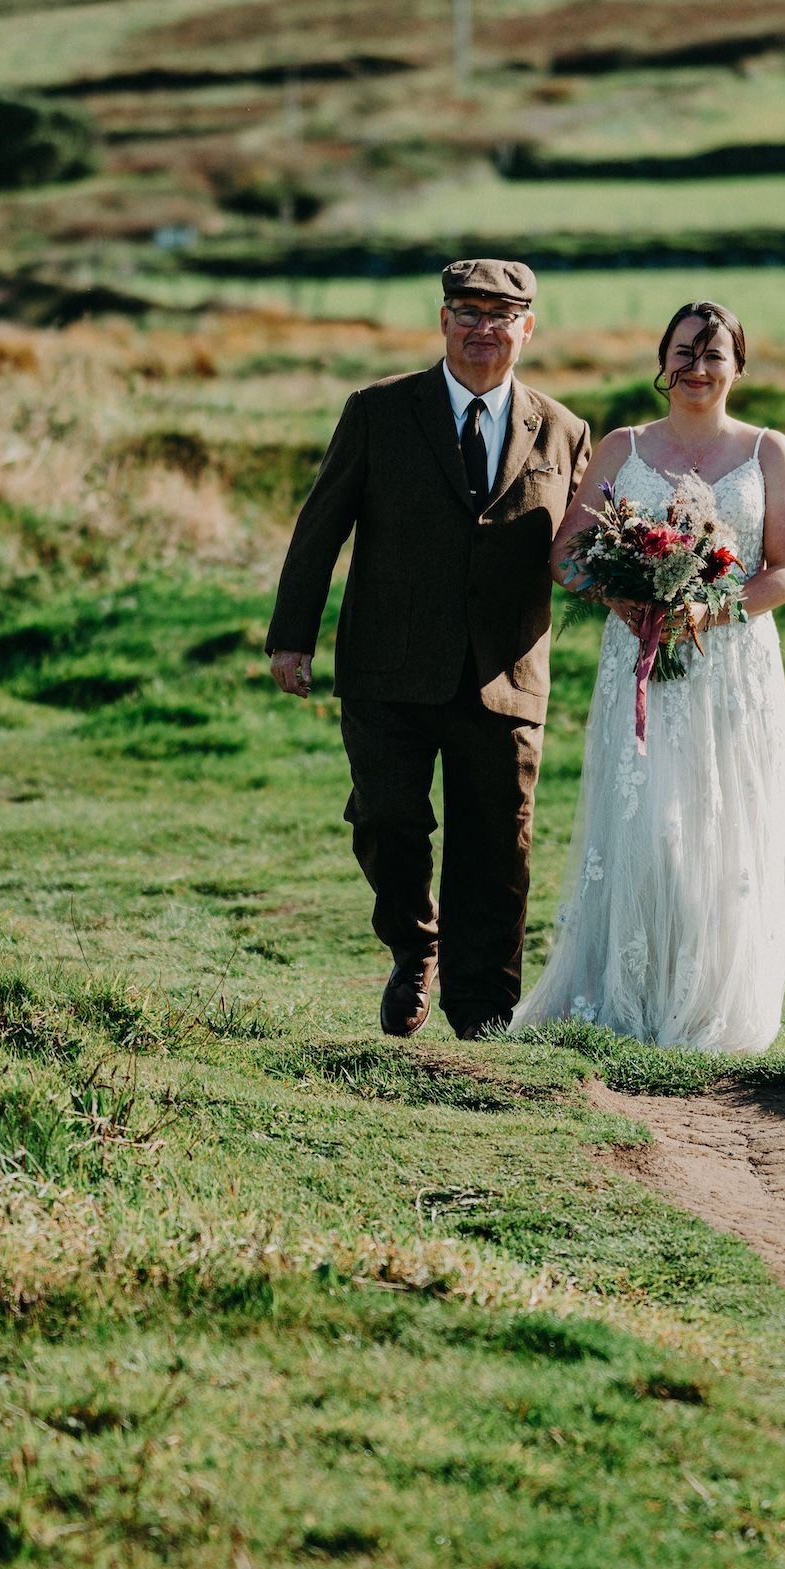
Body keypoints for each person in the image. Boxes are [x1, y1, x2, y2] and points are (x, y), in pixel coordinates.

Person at [266, 259, 591, 1039]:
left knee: (498, 848)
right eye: (468, 311)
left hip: (507, 674)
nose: (484, 327)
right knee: (386, 821)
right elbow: (321, 528)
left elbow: (587, 550)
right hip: (388, 665)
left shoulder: (566, 430)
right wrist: (291, 640)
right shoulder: (378, 411)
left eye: (501, 314)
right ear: (442, 321)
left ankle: (482, 1010)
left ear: (528, 328)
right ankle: (415, 949)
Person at [512, 300, 785, 1053]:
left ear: (738, 366)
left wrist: (710, 614)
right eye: (684, 352)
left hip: (731, 663)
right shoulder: (624, 448)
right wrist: (624, 595)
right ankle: (631, 993)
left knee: (722, 826)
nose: (696, 369)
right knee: (647, 823)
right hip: (636, 658)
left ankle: (708, 999)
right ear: (662, 360)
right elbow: (567, 553)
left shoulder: (769, 451)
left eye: (713, 355)